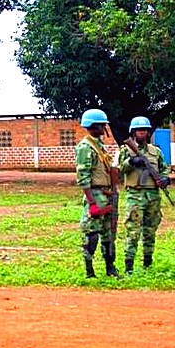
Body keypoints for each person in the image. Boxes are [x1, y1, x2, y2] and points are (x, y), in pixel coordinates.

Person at [116, 116, 170, 275]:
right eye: (140, 131)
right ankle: (129, 266)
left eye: (145, 131)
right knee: (133, 231)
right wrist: (131, 162)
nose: (143, 133)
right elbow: (119, 171)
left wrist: (166, 179)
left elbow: (164, 169)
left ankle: (148, 261)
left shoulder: (156, 151)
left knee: (150, 230)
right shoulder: (126, 150)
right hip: (135, 194)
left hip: (153, 195)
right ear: (133, 132)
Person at [75, 108, 119, 278]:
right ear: (93, 125)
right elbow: (83, 176)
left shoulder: (100, 146)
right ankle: (89, 270)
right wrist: (91, 202)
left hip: (106, 194)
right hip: (95, 194)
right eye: (102, 125)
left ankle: (110, 268)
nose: (104, 128)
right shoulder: (85, 147)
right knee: (91, 234)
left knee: (108, 233)